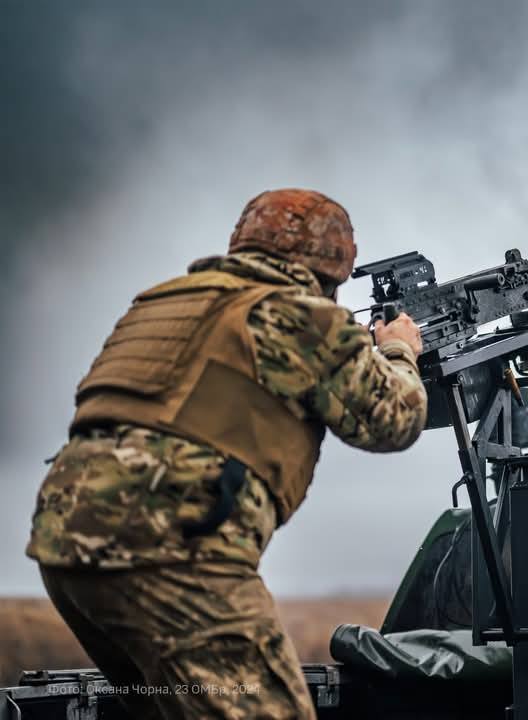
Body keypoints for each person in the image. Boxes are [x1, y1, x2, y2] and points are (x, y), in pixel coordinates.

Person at [26, 188, 427, 719]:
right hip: (172, 555)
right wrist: (398, 348)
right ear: (330, 266)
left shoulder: (165, 304)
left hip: (65, 547)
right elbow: (396, 420)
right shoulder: (301, 316)